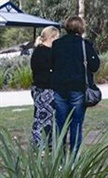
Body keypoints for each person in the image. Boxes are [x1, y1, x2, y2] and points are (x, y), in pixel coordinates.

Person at [51, 16, 100, 153]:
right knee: (76, 124)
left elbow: (51, 64)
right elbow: (95, 66)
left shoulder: (57, 44)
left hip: (59, 87)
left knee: (60, 124)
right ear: (81, 28)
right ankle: (73, 159)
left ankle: (59, 159)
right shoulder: (84, 44)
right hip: (78, 87)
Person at [30, 26, 60, 147]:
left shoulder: (39, 51)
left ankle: (47, 142)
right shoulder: (43, 52)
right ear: (51, 37)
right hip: (45, 89)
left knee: (45, 117)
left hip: (41, 88)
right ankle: (41, 143)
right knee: (43, 117)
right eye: (57, 37)